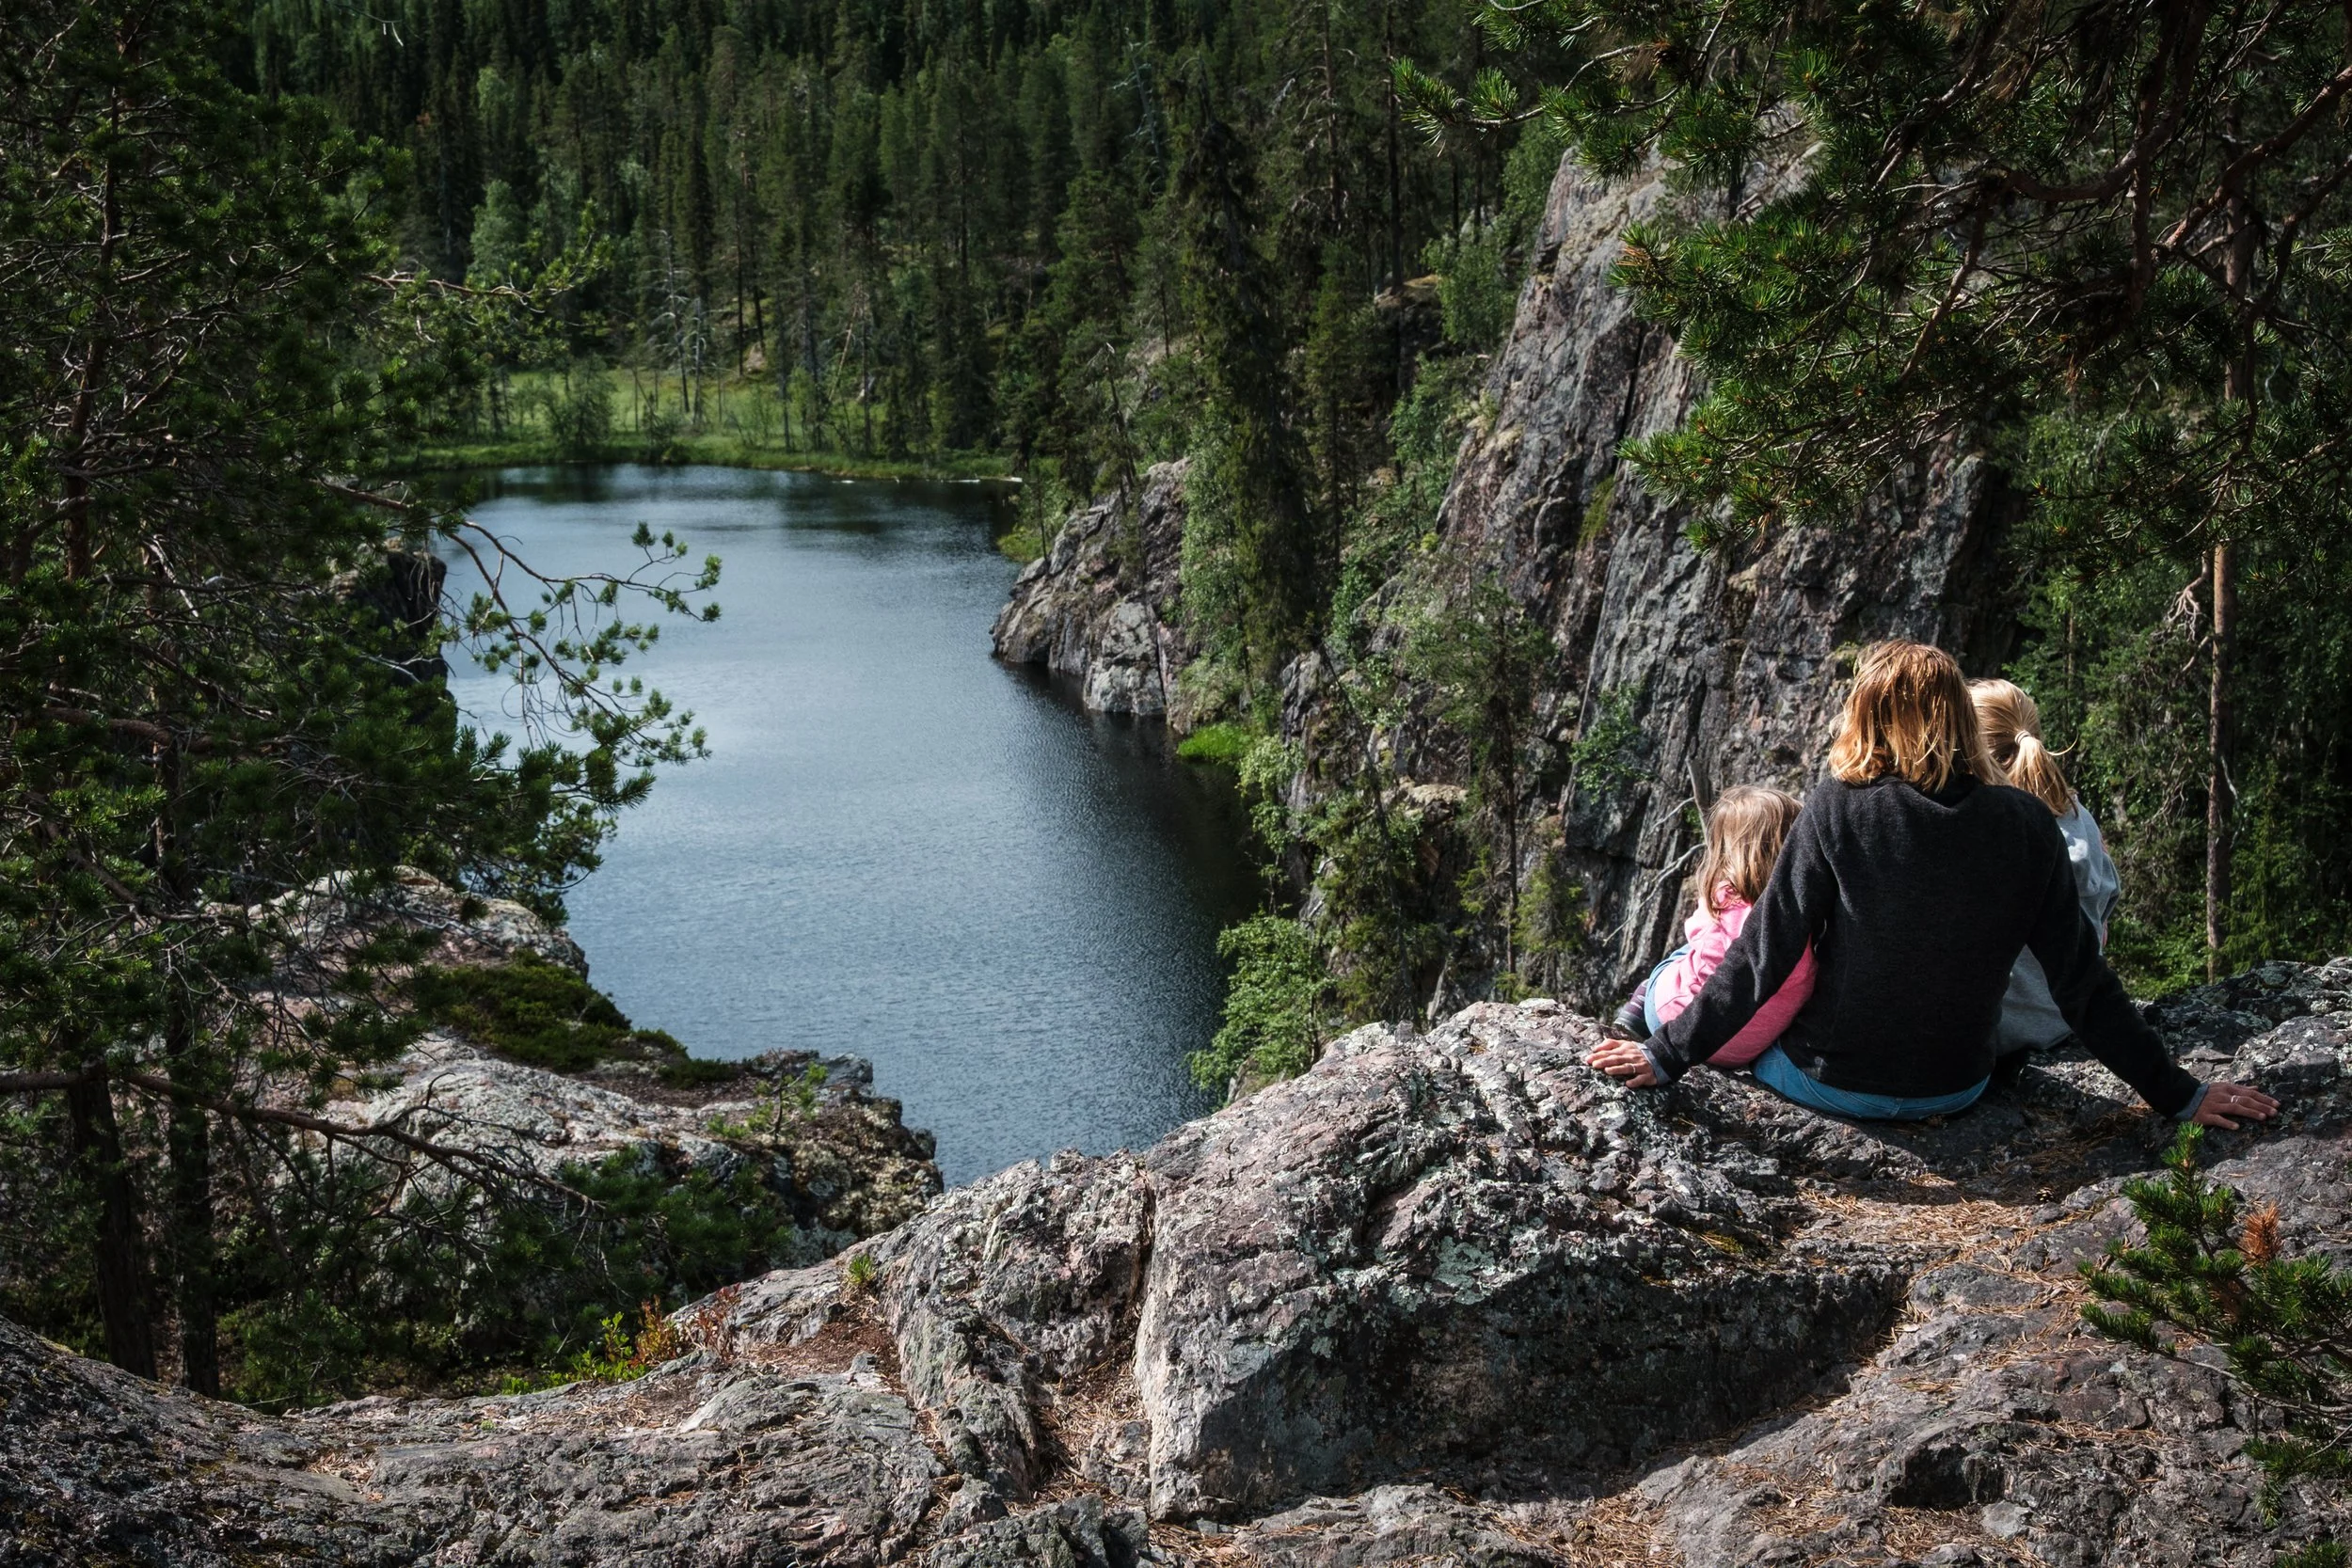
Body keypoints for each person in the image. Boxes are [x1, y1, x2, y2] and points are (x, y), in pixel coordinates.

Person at [1584, 641, 2278, 1130]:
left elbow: (1761, 956)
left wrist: (1667, 1054)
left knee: (1740, 986)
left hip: (1828, 1084)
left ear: (1870, 717)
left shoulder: (1837, 806)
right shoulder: (2027, 823)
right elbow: (2083, 983)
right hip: (1956, 1087)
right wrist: (2179, 1094)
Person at [1609, 785, 1818, 1067]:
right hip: (1745, 1050)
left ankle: (1636, 1011)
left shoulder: (1726, 898)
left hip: (1679, 1027)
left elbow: (1696, 933)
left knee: (1679, 956)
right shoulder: (1808, 915)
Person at [1969, 677, 2119, 1055]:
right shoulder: (2077, 815)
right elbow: (2103, 915)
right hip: (2067, 1020)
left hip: (2001, 1033)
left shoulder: (1983, 831)